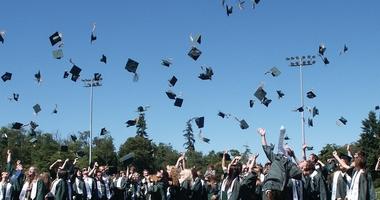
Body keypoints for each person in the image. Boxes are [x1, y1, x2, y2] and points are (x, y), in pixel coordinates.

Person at [257, 128, 302, 200]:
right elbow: (266, 149)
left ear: (289, 153)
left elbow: (302, 170)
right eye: (284, 148)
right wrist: (263, 136)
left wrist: (294, 156)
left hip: (279, 189)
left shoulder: (290, 164)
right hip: (269, 187)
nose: (284, 149)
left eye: (287, 148)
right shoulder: (276, 157)